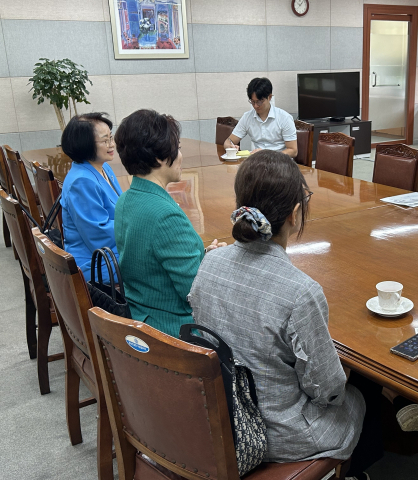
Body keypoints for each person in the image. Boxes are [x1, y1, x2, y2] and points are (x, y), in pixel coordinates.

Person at [188, 150, 381, 480]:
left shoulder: (209, 263)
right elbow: (327, 389)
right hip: (276, 436)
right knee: (367, 393)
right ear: (295, 214)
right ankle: (352, 471)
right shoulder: (300, 291)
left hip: (221, 413)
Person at [113, 109, 225, 338]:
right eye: (179, 148)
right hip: (176, 332)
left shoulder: (126, 199)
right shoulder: (165, 215)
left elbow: (154, 259)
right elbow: (195, 292)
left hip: (142, 317)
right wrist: (221, 267)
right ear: (159, 158)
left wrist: (203, 255)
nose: (181, 156)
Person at [60, 112, 122, 279]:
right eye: (105, 140)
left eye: (111, 137)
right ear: (85, 145)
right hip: (96, 263)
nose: (112, 144)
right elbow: (99, 235)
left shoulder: (102, 167)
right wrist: (138, 227)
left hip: (109, 251)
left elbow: (121, 207)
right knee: (155, 264)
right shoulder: (81, 182)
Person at [223, 77, 298, 158]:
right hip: (258, 162)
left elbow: (293, 151)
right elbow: (228, 141)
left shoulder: (284, 118)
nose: (255, 106)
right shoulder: (247, 117)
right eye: (252, 101)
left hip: (279, 163)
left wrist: (268, 155)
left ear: (269, 97)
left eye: (259, 101)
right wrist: (230, 147)